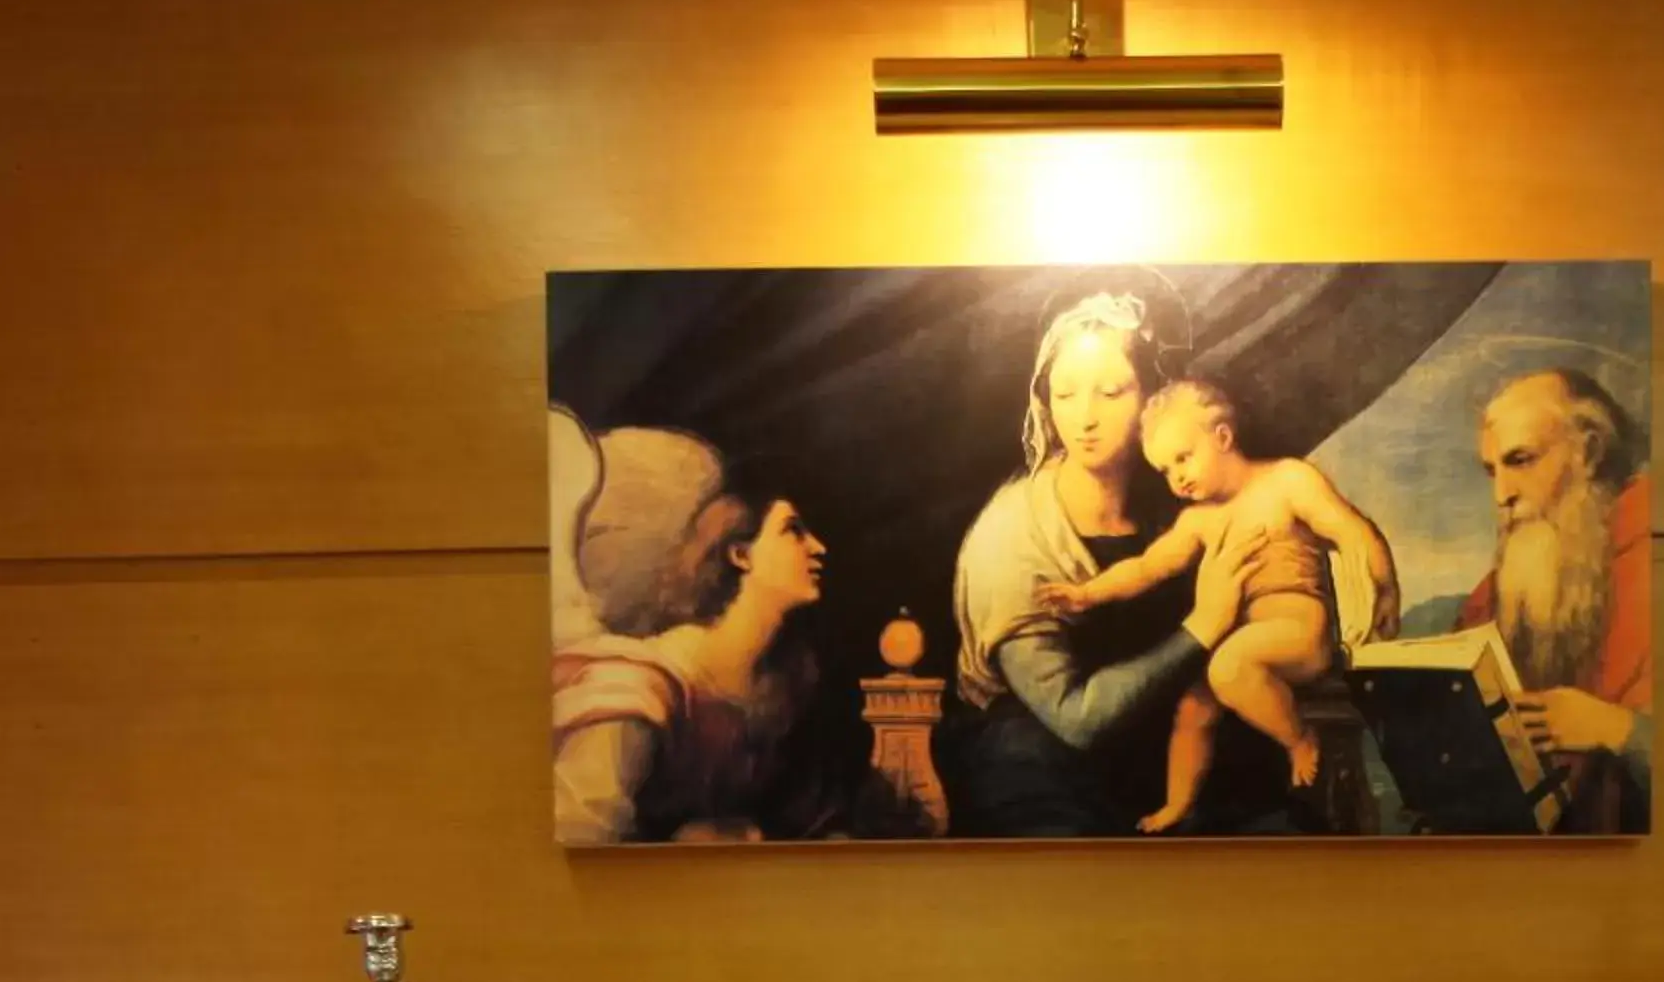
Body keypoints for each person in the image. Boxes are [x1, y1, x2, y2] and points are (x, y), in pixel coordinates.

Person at [938, 290, 1293, 838]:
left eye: (1110, 392)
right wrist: (1202, 626)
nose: (1084, 419)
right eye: (1064, 394)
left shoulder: (1182, 498)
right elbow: (1076, 719)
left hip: (1167, 752)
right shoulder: (1014, 535)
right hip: (1039, 768)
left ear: (1154, 397)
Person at [1034, 377, 1400, 833]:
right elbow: (1148, 567)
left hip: (1301, 632)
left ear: (1223, 437)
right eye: (1165, 470)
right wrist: (1087, 593)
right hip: (1245, 647)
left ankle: (1298, 738)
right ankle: (1177, 805)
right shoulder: (1200, 519)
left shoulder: (1287, 481)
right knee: (1193, 710)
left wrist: (1385, 588)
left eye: (1183, 458)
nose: (1177, 478)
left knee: (1228, 666)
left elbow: (1352, 531)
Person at [550, 414, 863, 844]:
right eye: (794, 531)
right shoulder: (637, 688)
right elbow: (577, 836)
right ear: (740, 553)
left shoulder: (779, 686)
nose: (818, 547)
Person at [1459, 367, 1652, 833]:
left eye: (1521, 460)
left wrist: (1616, 730)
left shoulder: (1661, 557)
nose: (1502, 494)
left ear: (1589, 452)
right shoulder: (1493, 596)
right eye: (1492, 471)